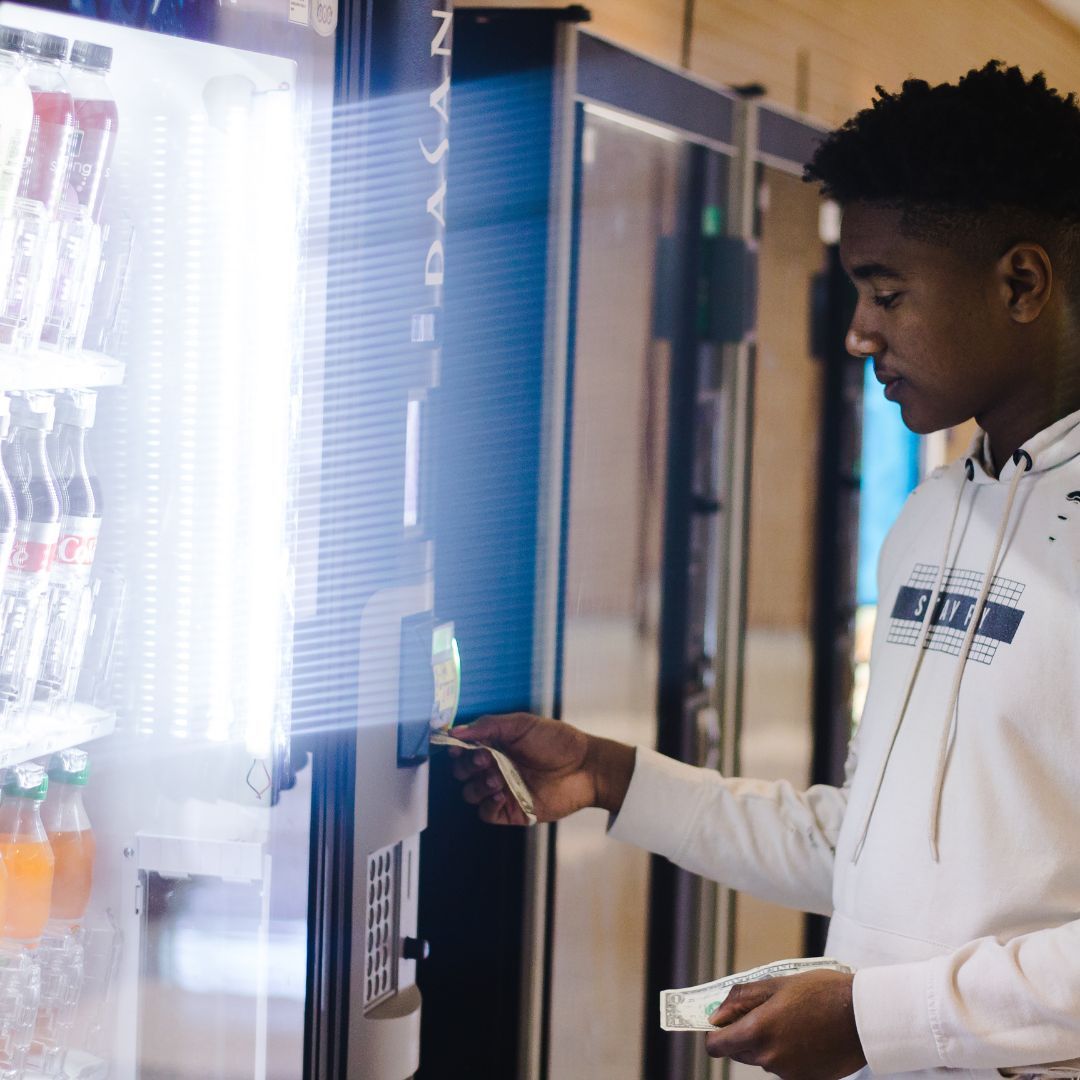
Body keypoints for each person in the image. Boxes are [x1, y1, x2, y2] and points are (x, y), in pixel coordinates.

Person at [448, 60, 1080, 1080]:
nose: (858, 331)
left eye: (887, 291)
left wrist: (879, 1018)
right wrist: (613, 779)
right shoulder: (932, 516)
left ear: (1020, 283)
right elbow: (870, 845)